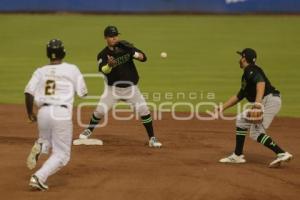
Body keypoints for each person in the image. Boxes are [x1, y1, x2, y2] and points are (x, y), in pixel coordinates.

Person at [79, 25, 162, 148]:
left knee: (144, 111)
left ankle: (152, 138)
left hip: (131, 89)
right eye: (111, 36)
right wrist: (110, 65)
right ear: (105, 38)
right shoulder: (102, 54)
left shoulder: (126, 47)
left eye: (116, 35)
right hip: (113, 90)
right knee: (100, 111)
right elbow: (103, 70)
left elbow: (144, 58)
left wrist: (133, 52)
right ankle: (89, 130)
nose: (114, 38)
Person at [25, 39, 88, 190]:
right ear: (63, 53)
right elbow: (83, 93)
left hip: (43, 113)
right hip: (61, 113)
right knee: (62, 155)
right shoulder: (72, 69)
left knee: (47, 139)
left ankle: (41, 145)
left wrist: (30, 113)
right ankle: (38, 177)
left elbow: (28, 92)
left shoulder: (40, 71)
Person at [216, 48, 292, 168]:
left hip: (269, 100)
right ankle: (237, 155)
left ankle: (282, 153)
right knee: (241, 120)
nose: (239, 60)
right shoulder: (247, 75)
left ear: (244, 59)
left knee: (256, 132)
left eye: (241, 57)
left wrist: (257, 105)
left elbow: (261, 83)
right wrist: (222, 107)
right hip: (266, 99)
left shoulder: (251, 70)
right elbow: (239, 95)